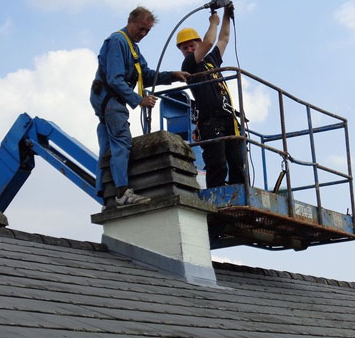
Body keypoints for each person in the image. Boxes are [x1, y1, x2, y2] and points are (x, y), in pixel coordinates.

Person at [90, 6, 189, 207]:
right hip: (110, 100)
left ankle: (105, 191)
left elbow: (146, 74)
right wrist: (139, 100)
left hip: (111, 100)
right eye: (141, 29)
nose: (143, 34)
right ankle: (122, 193)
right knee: (122, 142)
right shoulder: (118, 41)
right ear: (131, 22)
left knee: (108, 148)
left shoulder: (132, 47)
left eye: (147, 31)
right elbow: (115, 79)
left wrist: (171, 76)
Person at [176, 5, 244, 189]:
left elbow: (224, 39)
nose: (189, 49)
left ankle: (240, 197)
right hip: (210, 120)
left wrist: (226, 16)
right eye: (185, 47)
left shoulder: (211, 61)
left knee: (237, 162)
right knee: (218, 163)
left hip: (228, 117)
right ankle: (217, 196)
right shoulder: (190, 64)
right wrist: (213, 22)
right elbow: (209, 42)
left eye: (192, 45)